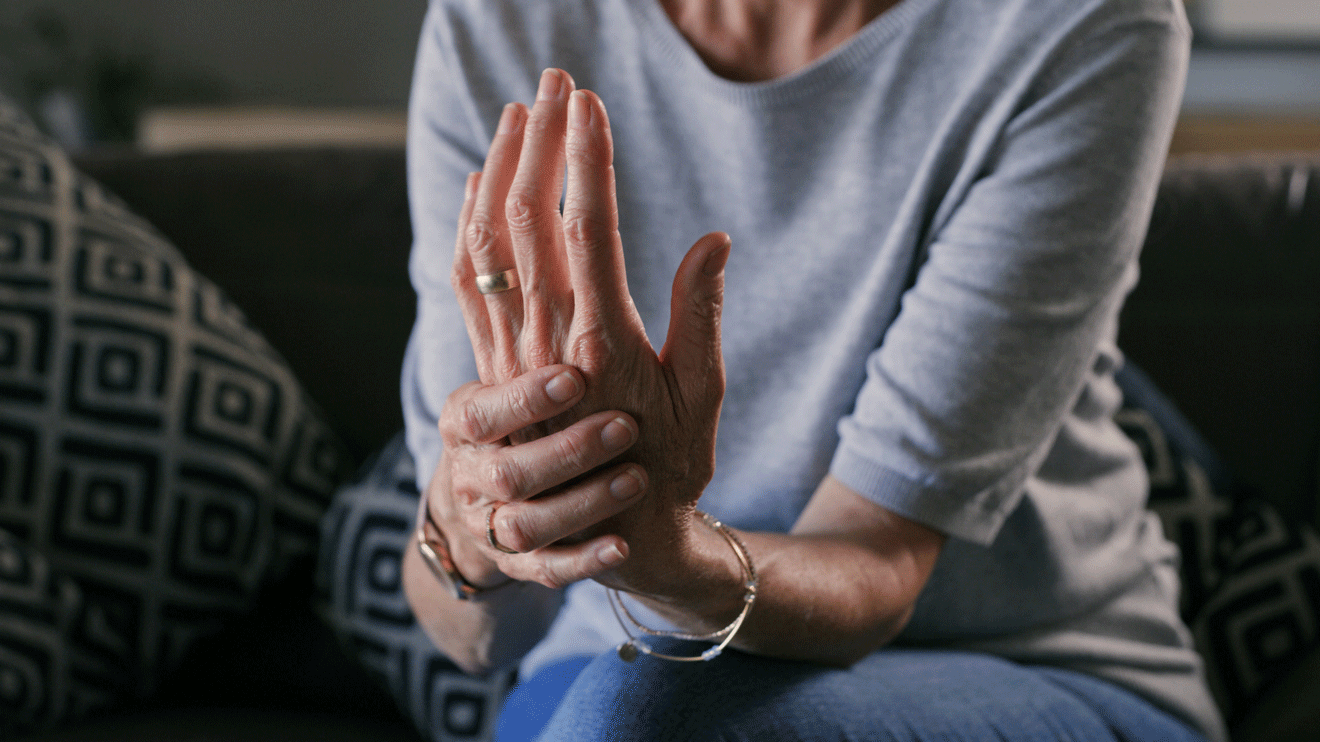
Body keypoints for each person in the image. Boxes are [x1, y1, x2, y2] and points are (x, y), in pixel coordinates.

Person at [399, 0, 1227, 740]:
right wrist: (482, 521)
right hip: (604, 666)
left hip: (1018, 663)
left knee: (645, 718)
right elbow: (473, 634)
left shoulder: (1078, 24)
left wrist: (665, 551)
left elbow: (879, 565)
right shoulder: (496, 23)